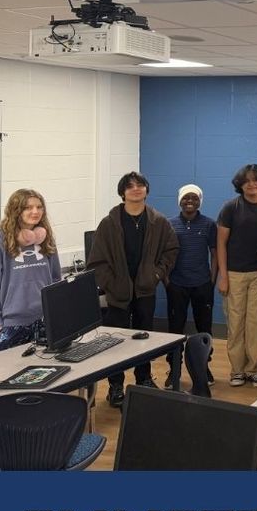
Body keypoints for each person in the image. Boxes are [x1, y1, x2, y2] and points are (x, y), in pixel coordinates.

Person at [88, 171, 179, 407]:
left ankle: (144, 380)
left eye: (140, 185)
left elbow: (171, 250)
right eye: (130, 186)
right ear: (122, 193)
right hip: (117, 293)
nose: (136, 189)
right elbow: (96, 261)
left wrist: (156, 274)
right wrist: (110, 284)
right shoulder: (109, 223)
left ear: (146, 190)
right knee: (115, 341)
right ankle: (116, 386)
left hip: (145, 291)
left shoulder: (159, 221)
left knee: (144, 339)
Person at [0, 189, 62, 351]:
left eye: (39, 207)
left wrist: (55, 313)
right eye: (28, 207)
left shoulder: (46, 240)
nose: (35, 211)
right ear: (16, 210)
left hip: (45, 320)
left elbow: (56, 280)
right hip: (11, 326)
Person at [217, 163, 257, 387]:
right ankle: (237, 371)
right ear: (240, 184)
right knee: (236, 323)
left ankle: (254, 371)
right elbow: (221, 244)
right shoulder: (231, 208)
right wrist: (223, 276)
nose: (252, 184)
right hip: (234, 274)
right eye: (247, 181)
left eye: (256, 179)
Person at [164, 184, 217, 383]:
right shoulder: (169, 224)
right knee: (175, 330)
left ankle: (203, 368)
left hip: (202, 284)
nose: (190, 201)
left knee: (204, 329)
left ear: (199, 202)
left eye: (194, 198)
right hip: (177, 284)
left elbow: (214, 253)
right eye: (186, 198)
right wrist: (166, 280)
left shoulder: (209, 224)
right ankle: (174, 371)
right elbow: (162, 253)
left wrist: (212, 280)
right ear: (180, 201)